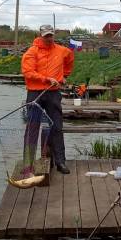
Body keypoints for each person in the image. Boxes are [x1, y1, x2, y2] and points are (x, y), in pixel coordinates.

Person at [20, 24, 74, 176]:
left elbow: (70, 59)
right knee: (32, 129)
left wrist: (65, 75)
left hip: (53, 94)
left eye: (51, 35)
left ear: (53, 35)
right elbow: (28, 72)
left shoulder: (62, 50)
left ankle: (60, 162)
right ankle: (27, 166)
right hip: (35, 94)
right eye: (46, 36)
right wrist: (46, 79)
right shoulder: (32, 52)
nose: (49, 38)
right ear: (40, 35)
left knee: (57, 127)